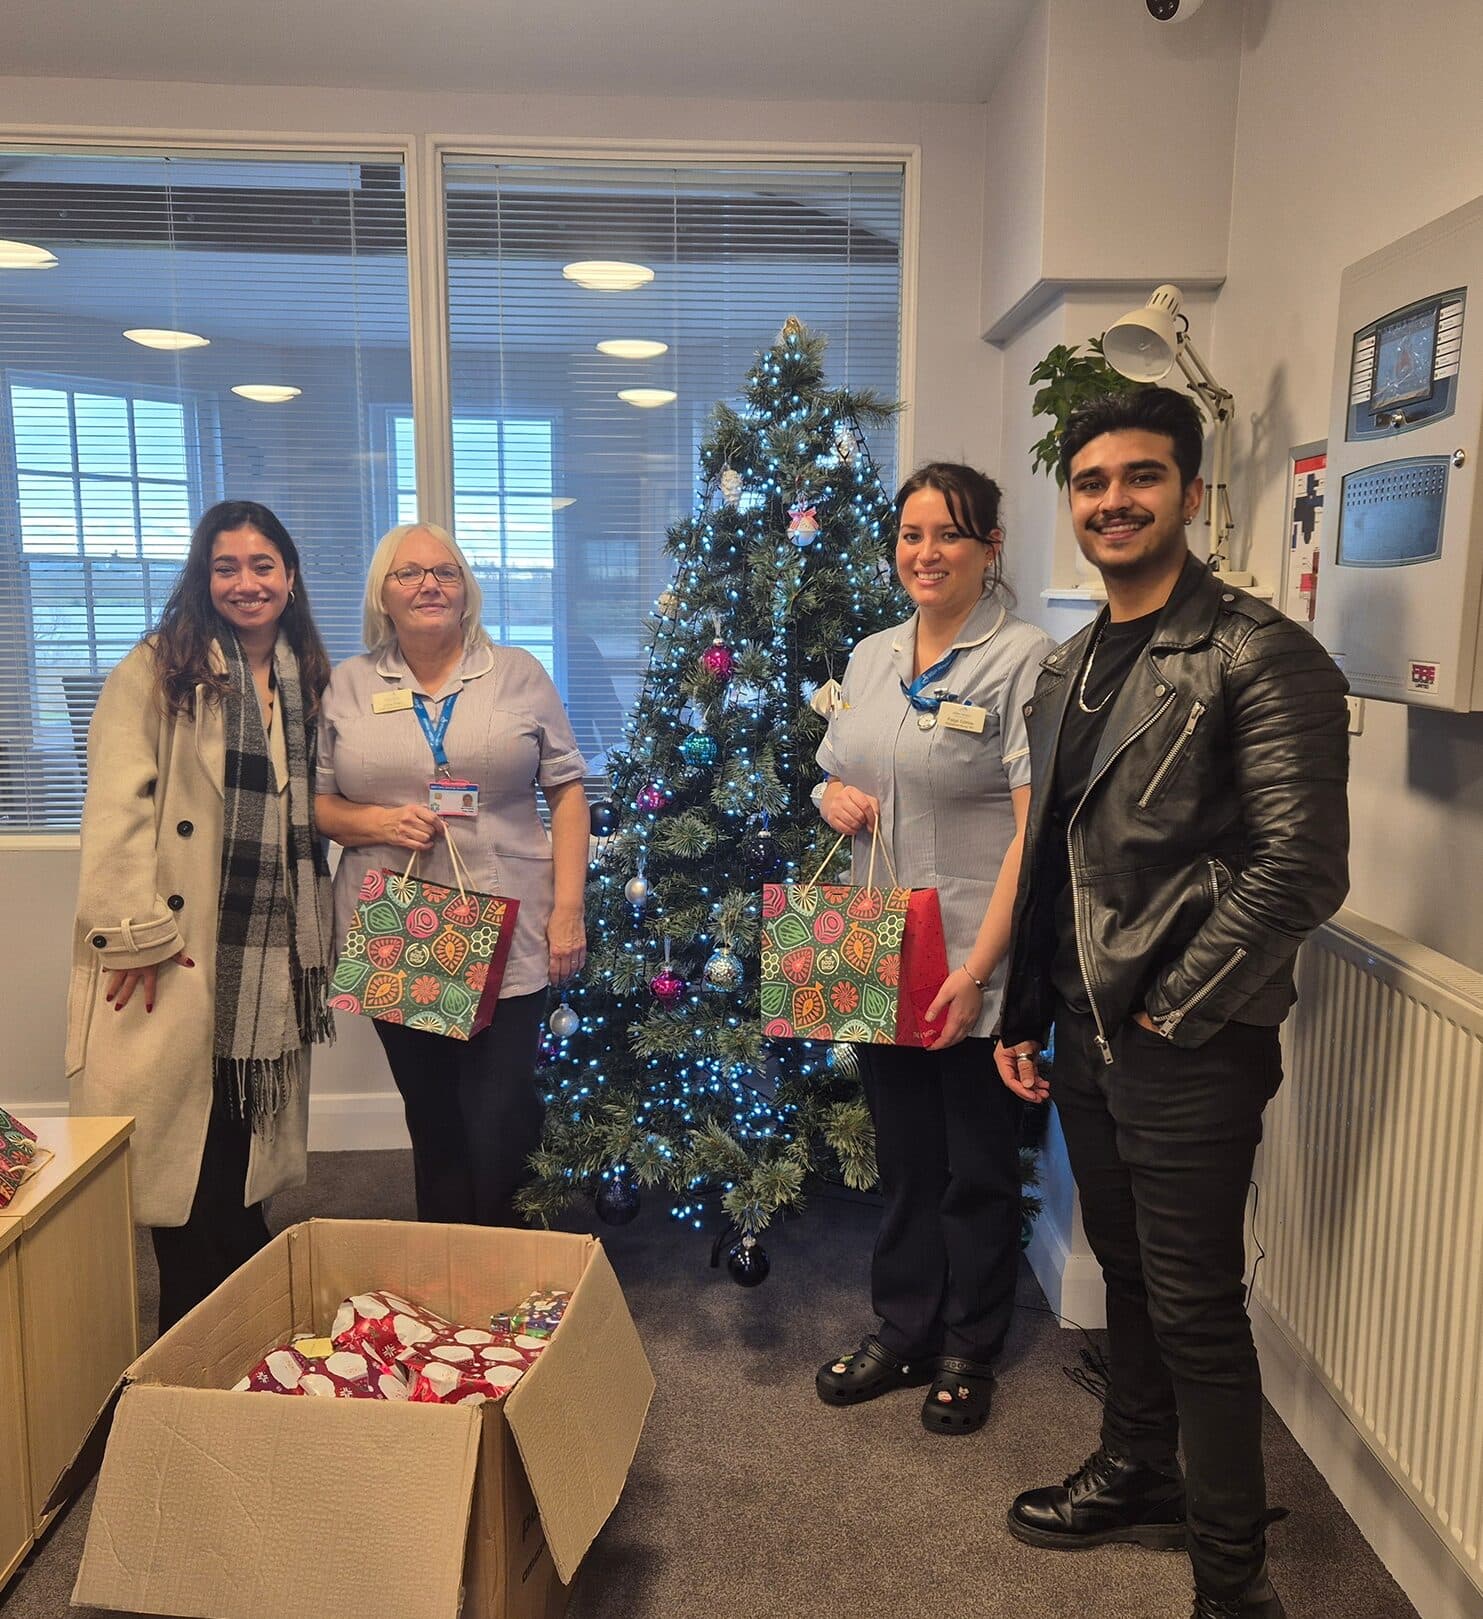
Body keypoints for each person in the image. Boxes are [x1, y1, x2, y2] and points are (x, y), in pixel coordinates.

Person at [994, 387, 1349, 1619]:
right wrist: (1022, 1014)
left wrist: (1169, 1011)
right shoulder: (1067, 666)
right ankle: (1138, 1467)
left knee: (1195, 1304)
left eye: (1140, 477)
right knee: (1129, 1273)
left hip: (1189, 1040)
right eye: (1091, 482)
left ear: (1190, 493)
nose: (1113, 501)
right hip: (1085, 1028)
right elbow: (1056, 861)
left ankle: (1233, 1583)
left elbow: (1299, 867)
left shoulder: (1260, 654)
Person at [812, 463, 1055, 1434]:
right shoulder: (873, 654)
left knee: (977, 1166)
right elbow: (835, 769)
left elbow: (1033, 834)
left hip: (969, 955)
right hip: (879, 946)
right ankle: (904, 1323)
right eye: (911, 534)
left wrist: (977, 970)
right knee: (908, 1158)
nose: (925, 552)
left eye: (948, 533)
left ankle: (968, 1344)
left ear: (989, 547)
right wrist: (830, 796)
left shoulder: (1024, 658)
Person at [67, 500, 336, 1335]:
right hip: (178, 953)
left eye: (262, 565)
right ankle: (183, 1360)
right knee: (184, 1177)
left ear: (289, 576)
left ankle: (239, 1341)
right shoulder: (157, 669)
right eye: (226, 566)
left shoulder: (304, 676)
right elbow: (115, 812)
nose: (245, 582)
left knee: (236, 1163)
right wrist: (135, 933)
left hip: (266, 962)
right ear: (203, 577)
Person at [315, 522, 588, 1227]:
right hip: (396, 923)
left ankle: (509, 1259)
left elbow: (566, 792)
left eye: (445, 571)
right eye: (408, 573)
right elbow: (317, 804)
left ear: (466, 590)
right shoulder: (348, 684)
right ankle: (446, 1261)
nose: (428, 585)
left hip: (511, 921)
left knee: (503, 1112)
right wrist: (380, 822)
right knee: (432, 1113)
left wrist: (569, 909)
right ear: (382, 593)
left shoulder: (517, 673)